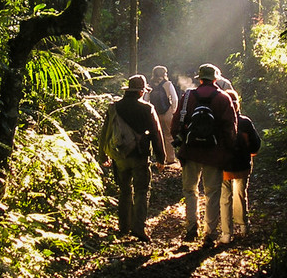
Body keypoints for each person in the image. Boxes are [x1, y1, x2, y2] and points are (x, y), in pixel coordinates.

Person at [171, 63, 237, 247]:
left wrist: (179, 141)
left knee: (190, 190)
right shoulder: (223, 98)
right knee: (212, 192)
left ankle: (191, 227)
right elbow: (230, 127)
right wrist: (229, 150)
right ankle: (210, 233)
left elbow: (176, 122)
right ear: (215, 78)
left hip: (190, 150)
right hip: (214, 153)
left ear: (199, 78)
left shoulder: (188, 96)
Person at [97, 74, 166, 242]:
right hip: (140, 155)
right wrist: (160, 157)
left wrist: (102, 154)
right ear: (141, 92)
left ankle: (123, 227)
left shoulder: (114, 107)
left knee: (124, 191)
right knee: (141, 191)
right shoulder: (147, 108)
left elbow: (105, 132)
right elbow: (156, 134)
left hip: (119, 155)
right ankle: (138, 228)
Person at [220, 89, 261, 243]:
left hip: (223, 166)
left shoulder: (219, 122)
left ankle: (226, 233)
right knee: (240, 195)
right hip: (242, 164)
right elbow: (255, 145)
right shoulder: (245, 122)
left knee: (225, 198)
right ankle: (243, 226)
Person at [146, 65, 179, 164]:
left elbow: (145, 99)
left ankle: (158, 158)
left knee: (155, 135)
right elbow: (174, 99)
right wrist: (173, 110)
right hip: (167, 112)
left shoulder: (149, 85)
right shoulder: (168, 84)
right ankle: (170, 158)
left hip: (154, 112)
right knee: (168, 135)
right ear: (164, 74)